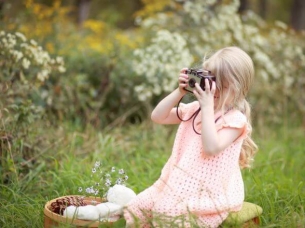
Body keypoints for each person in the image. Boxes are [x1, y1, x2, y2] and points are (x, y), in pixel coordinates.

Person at [124, 46, 258, 228]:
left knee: (166, 213)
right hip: (179, 183)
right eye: (211, 81)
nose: (214, 89)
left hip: (212, 192)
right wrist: (179, 91)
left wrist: (207, 108)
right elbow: (158, 117)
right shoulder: (195, 109)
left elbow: (211, 148)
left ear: (238, 88)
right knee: (137, 207)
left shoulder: (235, 120)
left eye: (222, 85)